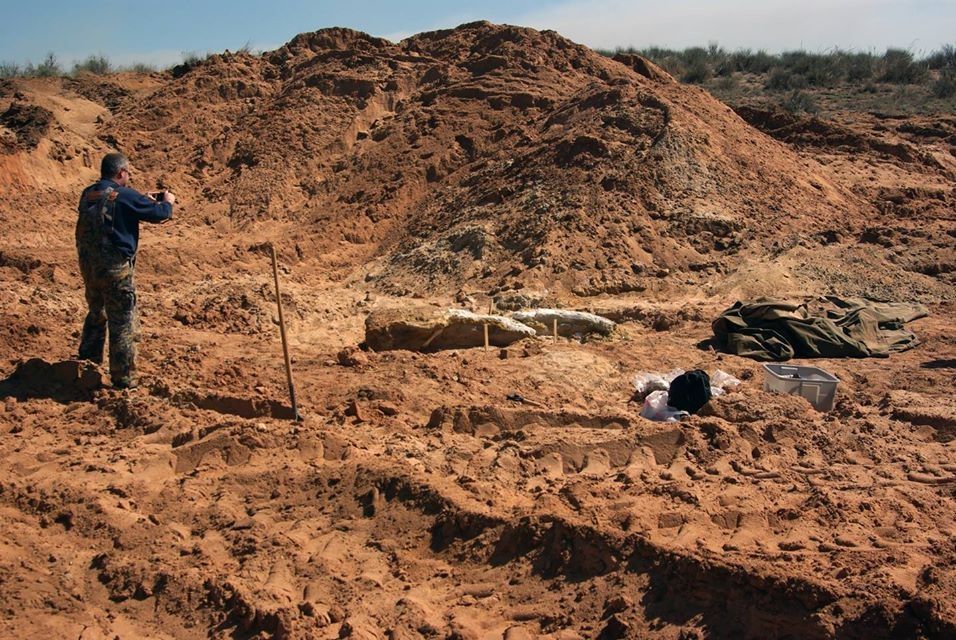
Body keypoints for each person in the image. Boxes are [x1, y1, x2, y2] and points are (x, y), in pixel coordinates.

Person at [76, 152, 175, 389]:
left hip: (89, 266)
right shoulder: (124, 195)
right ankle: (124, 378)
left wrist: (142, 199)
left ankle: (87, 363)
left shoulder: (88, 194)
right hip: (115, 269)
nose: (128, 176)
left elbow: (114, 209)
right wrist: (167, 201)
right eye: (127, 172)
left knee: (96, 312)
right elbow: (159, 214)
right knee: (122, 321)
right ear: (121, 172)